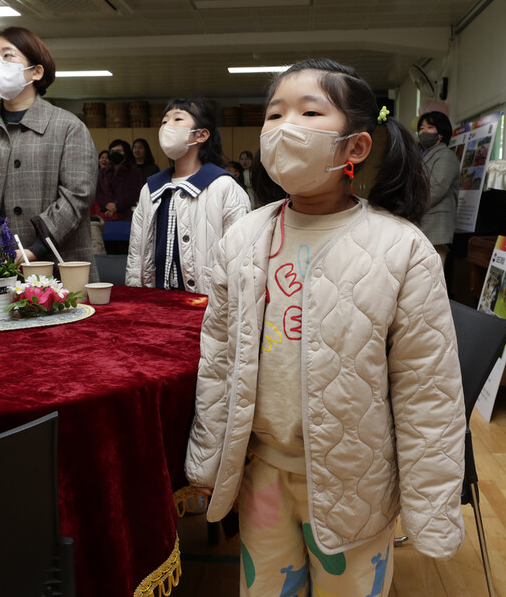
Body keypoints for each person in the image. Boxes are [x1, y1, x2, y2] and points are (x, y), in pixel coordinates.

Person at [184, 59, 465, 596]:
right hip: (261, 471)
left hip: (355, 480)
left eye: (309, 112)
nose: (283, 127)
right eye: (274, 114)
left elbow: (428, 392)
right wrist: (207, 458)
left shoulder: (400, 248)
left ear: (354, 148)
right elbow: (218, 356)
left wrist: (431, 508)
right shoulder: (243, 238)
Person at [0, 26, 98, 280]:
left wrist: (36, 249)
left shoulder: (68, 127)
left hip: (59, 265)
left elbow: (78, 195)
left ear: (36, 71)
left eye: (7, 56)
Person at [126, 98, 250, 294]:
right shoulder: (150, 189)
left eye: (177, 119)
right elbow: (136, 255)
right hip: (155, 302)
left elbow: (240, 257)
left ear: (201, 135)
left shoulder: (224, 187)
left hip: (206, 305)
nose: (167, 126)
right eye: (164, 121)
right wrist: (135, 297)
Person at [416, 111, 461, 265]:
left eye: (429, 127)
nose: (423, 132)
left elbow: (436, 189)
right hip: (420, 223)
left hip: (436, 226)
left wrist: (409, 208)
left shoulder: (446, 155)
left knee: (434, 278)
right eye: (421, 128)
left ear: (441, 134)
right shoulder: (420, 155)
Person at [95, 139, 141, 221]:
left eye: (119, 151)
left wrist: (116, 205)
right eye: (112, 151)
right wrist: (106, 204)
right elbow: (98, 192)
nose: (115, 153)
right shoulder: (102, 172)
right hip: (104, 214)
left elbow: (134, 193)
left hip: (126, 215)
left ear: (126, 153)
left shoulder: (134, 172)